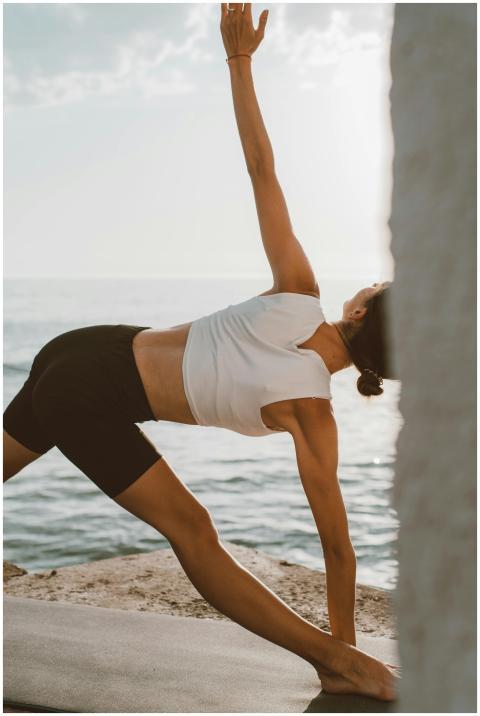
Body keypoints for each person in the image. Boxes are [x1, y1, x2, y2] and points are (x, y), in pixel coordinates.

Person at [3, 3, 400, 701]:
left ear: (359, 310)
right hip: (89, 386)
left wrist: (240, 62)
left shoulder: (298, 294)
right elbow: (337, 547)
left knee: (181, 525)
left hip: (87, 355)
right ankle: (331, 662)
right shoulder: (313, 413)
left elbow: (260, 168)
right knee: (194, 530)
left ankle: (336, 663)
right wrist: (345, 646)